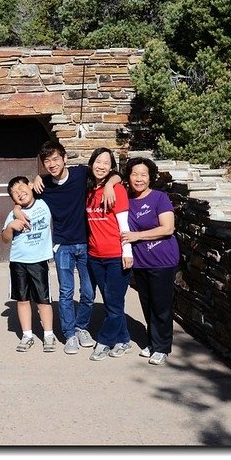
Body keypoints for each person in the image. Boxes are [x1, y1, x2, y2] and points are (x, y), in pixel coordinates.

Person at [27, 141, 121, 355]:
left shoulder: (81, 174)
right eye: (47, 161)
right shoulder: (43, 185)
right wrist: (26, 193)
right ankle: (69, 334)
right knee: (66, 292)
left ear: (65, 158)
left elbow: (114, 174)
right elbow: (23, 198)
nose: (52, 164)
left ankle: (81, 327)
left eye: (56, 159)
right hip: (63, 246)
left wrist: (108, 185)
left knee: (88, 292)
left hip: (87, 243)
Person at [120, 157, 180, 365]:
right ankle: (153, 342)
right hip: (141, 261)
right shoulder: (126, 199)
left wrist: (137, 236)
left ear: (150, 177)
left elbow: (168, 228)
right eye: (134, 174)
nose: (139, 179)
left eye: (143, 174)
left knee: (161, 305)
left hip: (162, 260)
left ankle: (162, 347)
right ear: (128, 176)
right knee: (147, 304)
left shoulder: (159, 198)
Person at [84, 147, 134, 361]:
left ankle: (104, 341)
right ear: (92, 163)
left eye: (106, 162)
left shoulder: (117, 190)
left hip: (116, 255)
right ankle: (124, 340)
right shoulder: (88, 190)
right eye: (98, 161)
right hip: (95, 256)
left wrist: (127, 252)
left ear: (112, 167)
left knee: (113, 301)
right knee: (112, 302)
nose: (101, 166)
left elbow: (124, 223)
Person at [1, 176, 56, 353]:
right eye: (14, 193)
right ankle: (27, 335)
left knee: (43, 300)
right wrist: (11, 226)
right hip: (18, 262)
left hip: (39, 261)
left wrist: (39, 177)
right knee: (22, 300)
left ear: (31, 186)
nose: (19, 193)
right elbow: (5, 239)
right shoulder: (12, 214)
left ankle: (48, 335)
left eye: (22, 187)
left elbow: (52, 181)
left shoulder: (44, 204)